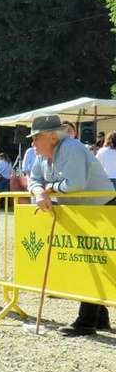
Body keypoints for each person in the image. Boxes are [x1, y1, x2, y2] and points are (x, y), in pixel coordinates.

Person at [27, 114, 113, 336]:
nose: (33, 143)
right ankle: (98, 317)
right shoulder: (43, 154)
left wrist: (49, 189)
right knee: (90, 261)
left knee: (93, 262)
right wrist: (38, 192)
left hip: (103, 208)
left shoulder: (71, 147)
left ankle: (87, 322)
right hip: (85, 210)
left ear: (52, 137)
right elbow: (34, 179)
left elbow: (75, 183)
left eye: (36, 137)